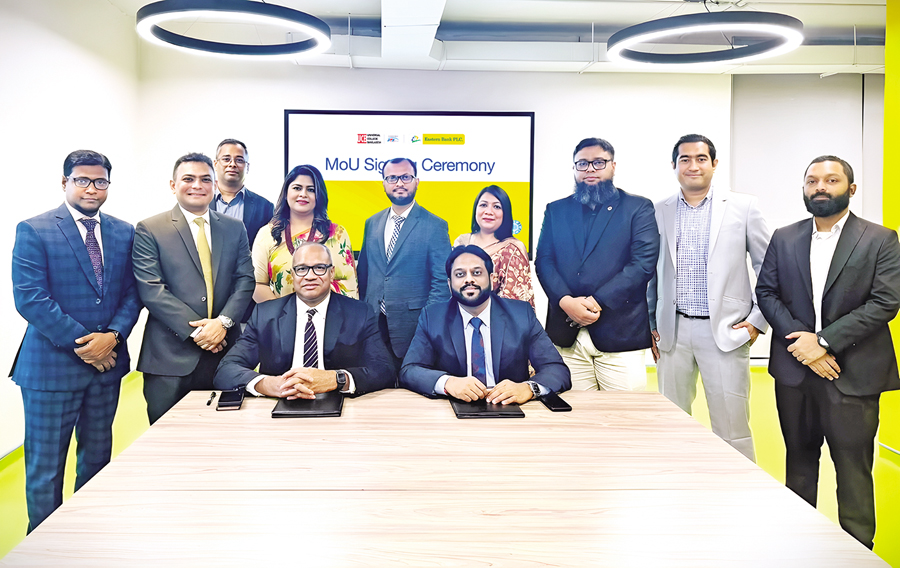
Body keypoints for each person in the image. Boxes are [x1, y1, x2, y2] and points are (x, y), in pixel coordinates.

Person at [756, 155, 900, 550]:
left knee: (853, 470)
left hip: (853, 374)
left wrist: (821, 342)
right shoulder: (784, 237)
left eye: (831, 180)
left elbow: (885, 302)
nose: (820, 186)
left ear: (850, 189)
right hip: (795, 372)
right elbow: (766, 292)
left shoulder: (880, 239)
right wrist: (803, 345)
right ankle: (801, 548)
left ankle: (857, 552)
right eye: (812, 181)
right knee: (799, 465)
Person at [11, 150, 142, 531]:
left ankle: (88, 535)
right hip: (51, 371)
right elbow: (31, 299)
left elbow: (132, 293)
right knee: (46, 469)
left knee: (98, 460)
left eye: (100, 181)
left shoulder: (123, 232)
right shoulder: (34, 229)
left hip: (106, 371)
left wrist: (113, 337)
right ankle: (44, 546)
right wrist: (89, 346)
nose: (91, 188)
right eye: (82, 180)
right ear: (64, 182)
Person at [647, 134, 771, 461]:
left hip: (727, 332)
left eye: (701, 158)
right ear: (674, 165)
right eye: (685, 159)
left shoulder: (744, 207)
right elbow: (651, 272)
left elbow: (769, 268)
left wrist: (757, 321)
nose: (693, 165)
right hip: (672, 333)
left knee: (732, 427)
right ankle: (677, 484)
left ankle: (737, 488)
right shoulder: (658, 210)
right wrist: (650, 322)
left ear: (714, 164)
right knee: (672, 422)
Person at [133, 152, 255, 424]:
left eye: (205, 179)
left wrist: (222, 323)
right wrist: (201, 331)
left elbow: (245, 280)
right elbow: (152, 289)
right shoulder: (150, 229)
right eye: (188, 179)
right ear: (173, 185)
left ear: (215, 185)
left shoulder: (234, 228)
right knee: (167, 436)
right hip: (169, 357)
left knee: (224, 435)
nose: (197, 185)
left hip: (225, 352)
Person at [535, 137, 659, 391]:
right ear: (574, 168)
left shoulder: (637, 208)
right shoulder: (556, 210)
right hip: (566, 336)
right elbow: (544, 262)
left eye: (598, 162)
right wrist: (566, 302)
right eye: (582, 163)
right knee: (575, 413)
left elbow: (642, 264)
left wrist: (596, 302)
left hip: (620, 336)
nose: (590, 169)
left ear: (613, 166)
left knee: (623, 413)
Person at [215, 242, 394, 397]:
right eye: (301, 269)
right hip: (279, 403)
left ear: (331, 273)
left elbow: (384, 369)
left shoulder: (359, 313)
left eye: (319, 268)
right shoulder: (265, 314)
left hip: (339, 404)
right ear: (292, 275)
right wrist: (268, 384)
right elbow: (226, 369)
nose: (309, 276)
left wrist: (336, 379)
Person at [401, 245, 570, 401]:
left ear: (491, 278)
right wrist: (448, 382)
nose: (469, 280)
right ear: (449, 284)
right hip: (453, 411)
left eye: (476, 273)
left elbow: (556, 369)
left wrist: (528, 388)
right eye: (460, 274)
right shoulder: (433, 317)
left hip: (510, 410)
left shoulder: (521, 315)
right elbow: (410, 370)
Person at [357, 157, 451, 373]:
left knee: (411, 384)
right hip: (374, 324)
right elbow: (364, 273)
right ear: (384, 183)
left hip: (413, 327)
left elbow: (441, 283)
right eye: (392, 178)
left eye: (405, 177)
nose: (399, 183)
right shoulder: (372, 223)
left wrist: (427, 324)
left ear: (416, 181)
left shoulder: (435, 225)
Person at [251, 164, 357, 303]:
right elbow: (258, 284)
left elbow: (349, 283)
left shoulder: (337, 233)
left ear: (319, 196)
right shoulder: (268, 234)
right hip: (282, 315)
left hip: (334, 314)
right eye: (297, 188)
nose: (303, 194)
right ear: (286, 193)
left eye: (311, 190)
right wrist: (282, 313)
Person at [453, 185, 535, 307]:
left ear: (505, 213)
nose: (488, 211)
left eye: (496, 206)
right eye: (483, 205)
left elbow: (514, 302)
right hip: (458, 315)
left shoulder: (512, 249)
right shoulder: (461, 242)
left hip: (498, 317)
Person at [212, 138, 274, 251]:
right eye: (226, 159)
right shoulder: (200, 203)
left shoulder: (265, 207)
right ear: (215, 164)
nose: (232, 164)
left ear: (247, 167)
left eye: (239, 160)